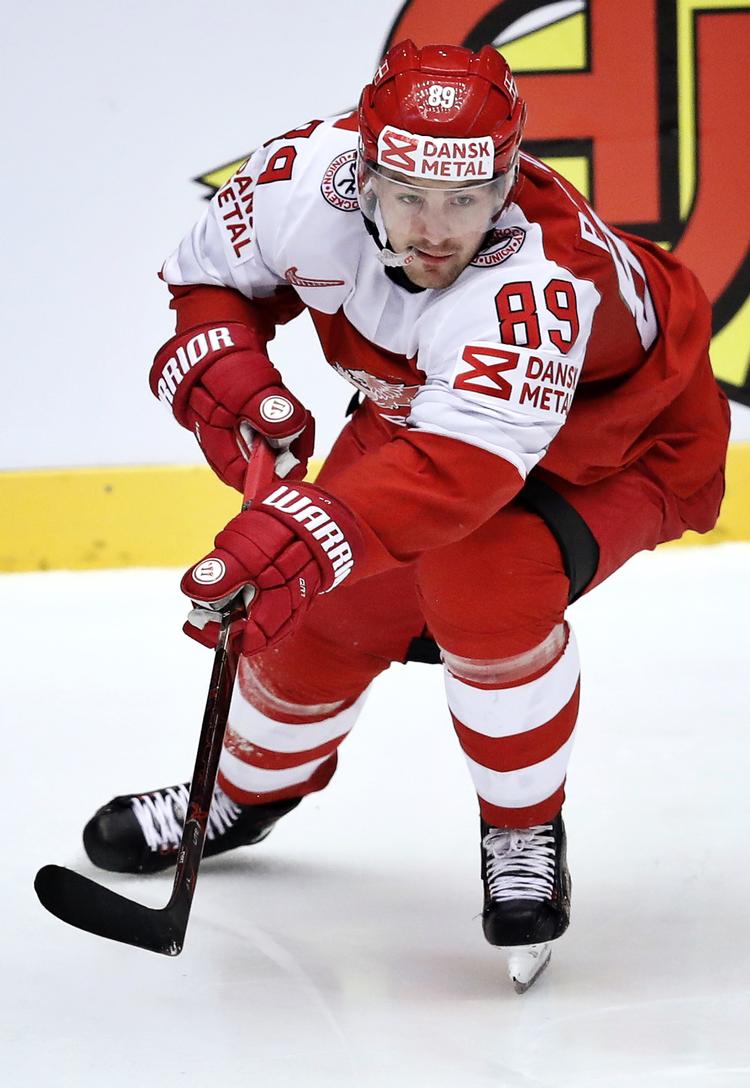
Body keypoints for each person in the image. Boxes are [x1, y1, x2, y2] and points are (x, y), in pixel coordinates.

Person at [83, 41, 729, 989]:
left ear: (505, 182)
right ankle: (240, 793)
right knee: (320, 620)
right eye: (410, 193)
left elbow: (459, 474)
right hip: (437, 413)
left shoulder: (534, 279)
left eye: (467, 200)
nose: (436, 229)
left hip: (619, 439)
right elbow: (211, 280)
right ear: (363, 168)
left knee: (484, 575)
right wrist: (225, 365)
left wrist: (300, 533)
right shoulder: (302, 176)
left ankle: (521, 827)